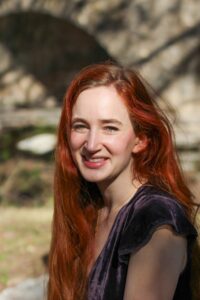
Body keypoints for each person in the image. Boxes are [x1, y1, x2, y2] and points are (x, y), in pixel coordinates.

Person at [47, 62, 197, 300]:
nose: (92, 144)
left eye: (110, 128)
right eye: (80, 126)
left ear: (141, 139)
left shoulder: (156, 221)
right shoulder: (88, 207)